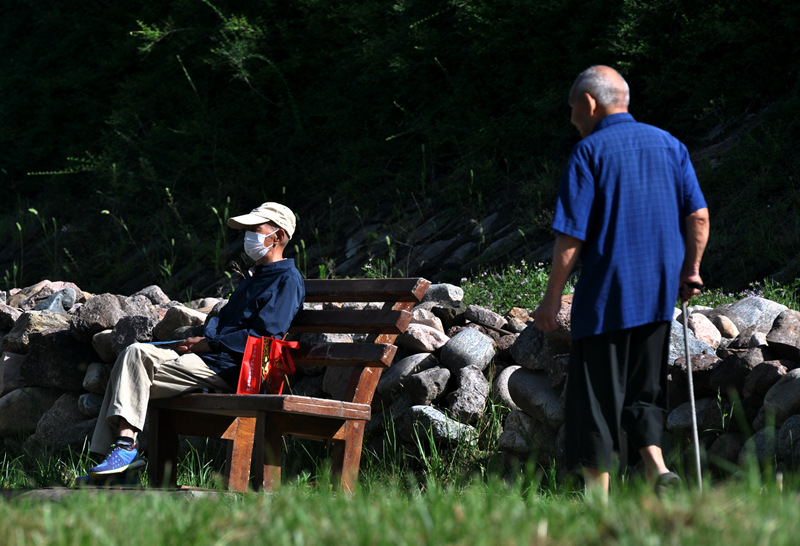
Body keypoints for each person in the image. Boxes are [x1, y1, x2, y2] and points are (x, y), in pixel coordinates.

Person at [534, 65, 710, 496]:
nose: (573, 120)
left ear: (590, 104)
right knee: (644, 389)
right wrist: (691, 270)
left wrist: (551, 298)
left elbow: (572, 236)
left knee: (595, 400)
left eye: (573, 110)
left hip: (605, 300)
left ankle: (599, 505)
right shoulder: (671, 145)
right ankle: (656, 467)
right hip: (657, 300)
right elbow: (699, 216)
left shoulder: (589, 152)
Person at [85, 201, 305, 477]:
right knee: (133, 353)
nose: (249, 236)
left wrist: (209, 343)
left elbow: (265, 335)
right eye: (247, 231)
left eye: (255, 229)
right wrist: (200, 340)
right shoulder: (254, 278)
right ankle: (122, 452)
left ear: (279, 236)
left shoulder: (288, 280)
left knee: (131, 377)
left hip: (230, 369)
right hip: (208, 358)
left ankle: (123, 455)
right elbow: (226, 325)